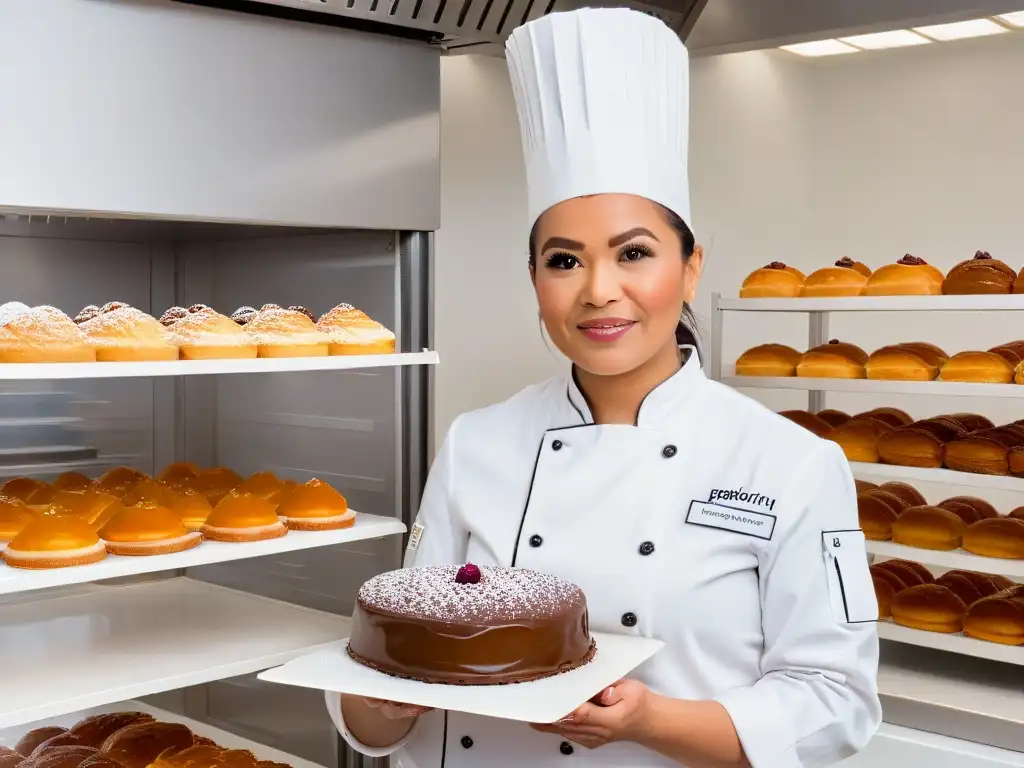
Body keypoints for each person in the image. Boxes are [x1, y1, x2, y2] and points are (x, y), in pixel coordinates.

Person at [326, 8, 881, 767]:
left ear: (690, 267)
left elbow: (837, 704)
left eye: (634, 253)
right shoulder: (477, 441)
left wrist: (650, 720)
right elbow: (388, 688)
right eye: (563, 260)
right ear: (534, 280)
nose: (598, 291)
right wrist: (377, 703)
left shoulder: (789, 463)